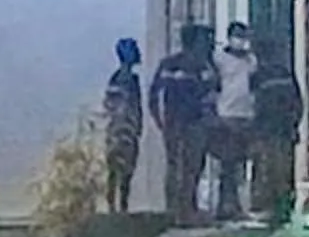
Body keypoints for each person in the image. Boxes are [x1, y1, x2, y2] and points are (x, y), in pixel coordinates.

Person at [148, 24, 220, 225]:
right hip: (177, 123)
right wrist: (160, 121)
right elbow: (155, 95)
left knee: (194, 167)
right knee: (177, 166)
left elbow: (213, 93)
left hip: (196, 123)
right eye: (204, 40)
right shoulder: (171, 64)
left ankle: (188, 208)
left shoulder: (205, 65)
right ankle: (174, 211)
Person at [248, 53, 304, 224]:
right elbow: (298, 104)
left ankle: (277, 208)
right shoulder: (284, 75)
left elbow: (256, 104)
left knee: (273, 170)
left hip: (274, 131)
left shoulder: (260, 76)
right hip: (279, 131)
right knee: (279, 170)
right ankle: (279, 208)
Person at [212, 21, 261, 219]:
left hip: (246, 116)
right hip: (226, 115)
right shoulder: (219, 58)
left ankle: (239, 207)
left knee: (241, 165)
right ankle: (224, 207)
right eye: (238, 35)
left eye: (244, 36)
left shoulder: (251, 60)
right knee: (227, 165)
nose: (241, 40)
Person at [101, 38, 145, 213]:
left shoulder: (121, 78)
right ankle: (118, 206)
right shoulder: (125, 79)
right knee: (121, 169)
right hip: (123, 129)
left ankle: (117, 205)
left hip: (122, 128)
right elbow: (124, 105)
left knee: (120, 170)